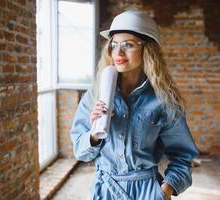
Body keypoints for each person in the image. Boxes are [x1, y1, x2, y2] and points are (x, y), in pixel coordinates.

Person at [70, 10, 199, 200]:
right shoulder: (95, 95)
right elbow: (81, 153)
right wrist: (94, 134)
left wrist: (165, 191)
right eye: (113, 45)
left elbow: (183, 155)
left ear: (147, 49)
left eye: (128, 45)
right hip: (106, 190)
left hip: (147, 192)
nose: (118, 52)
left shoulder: (163, 100)